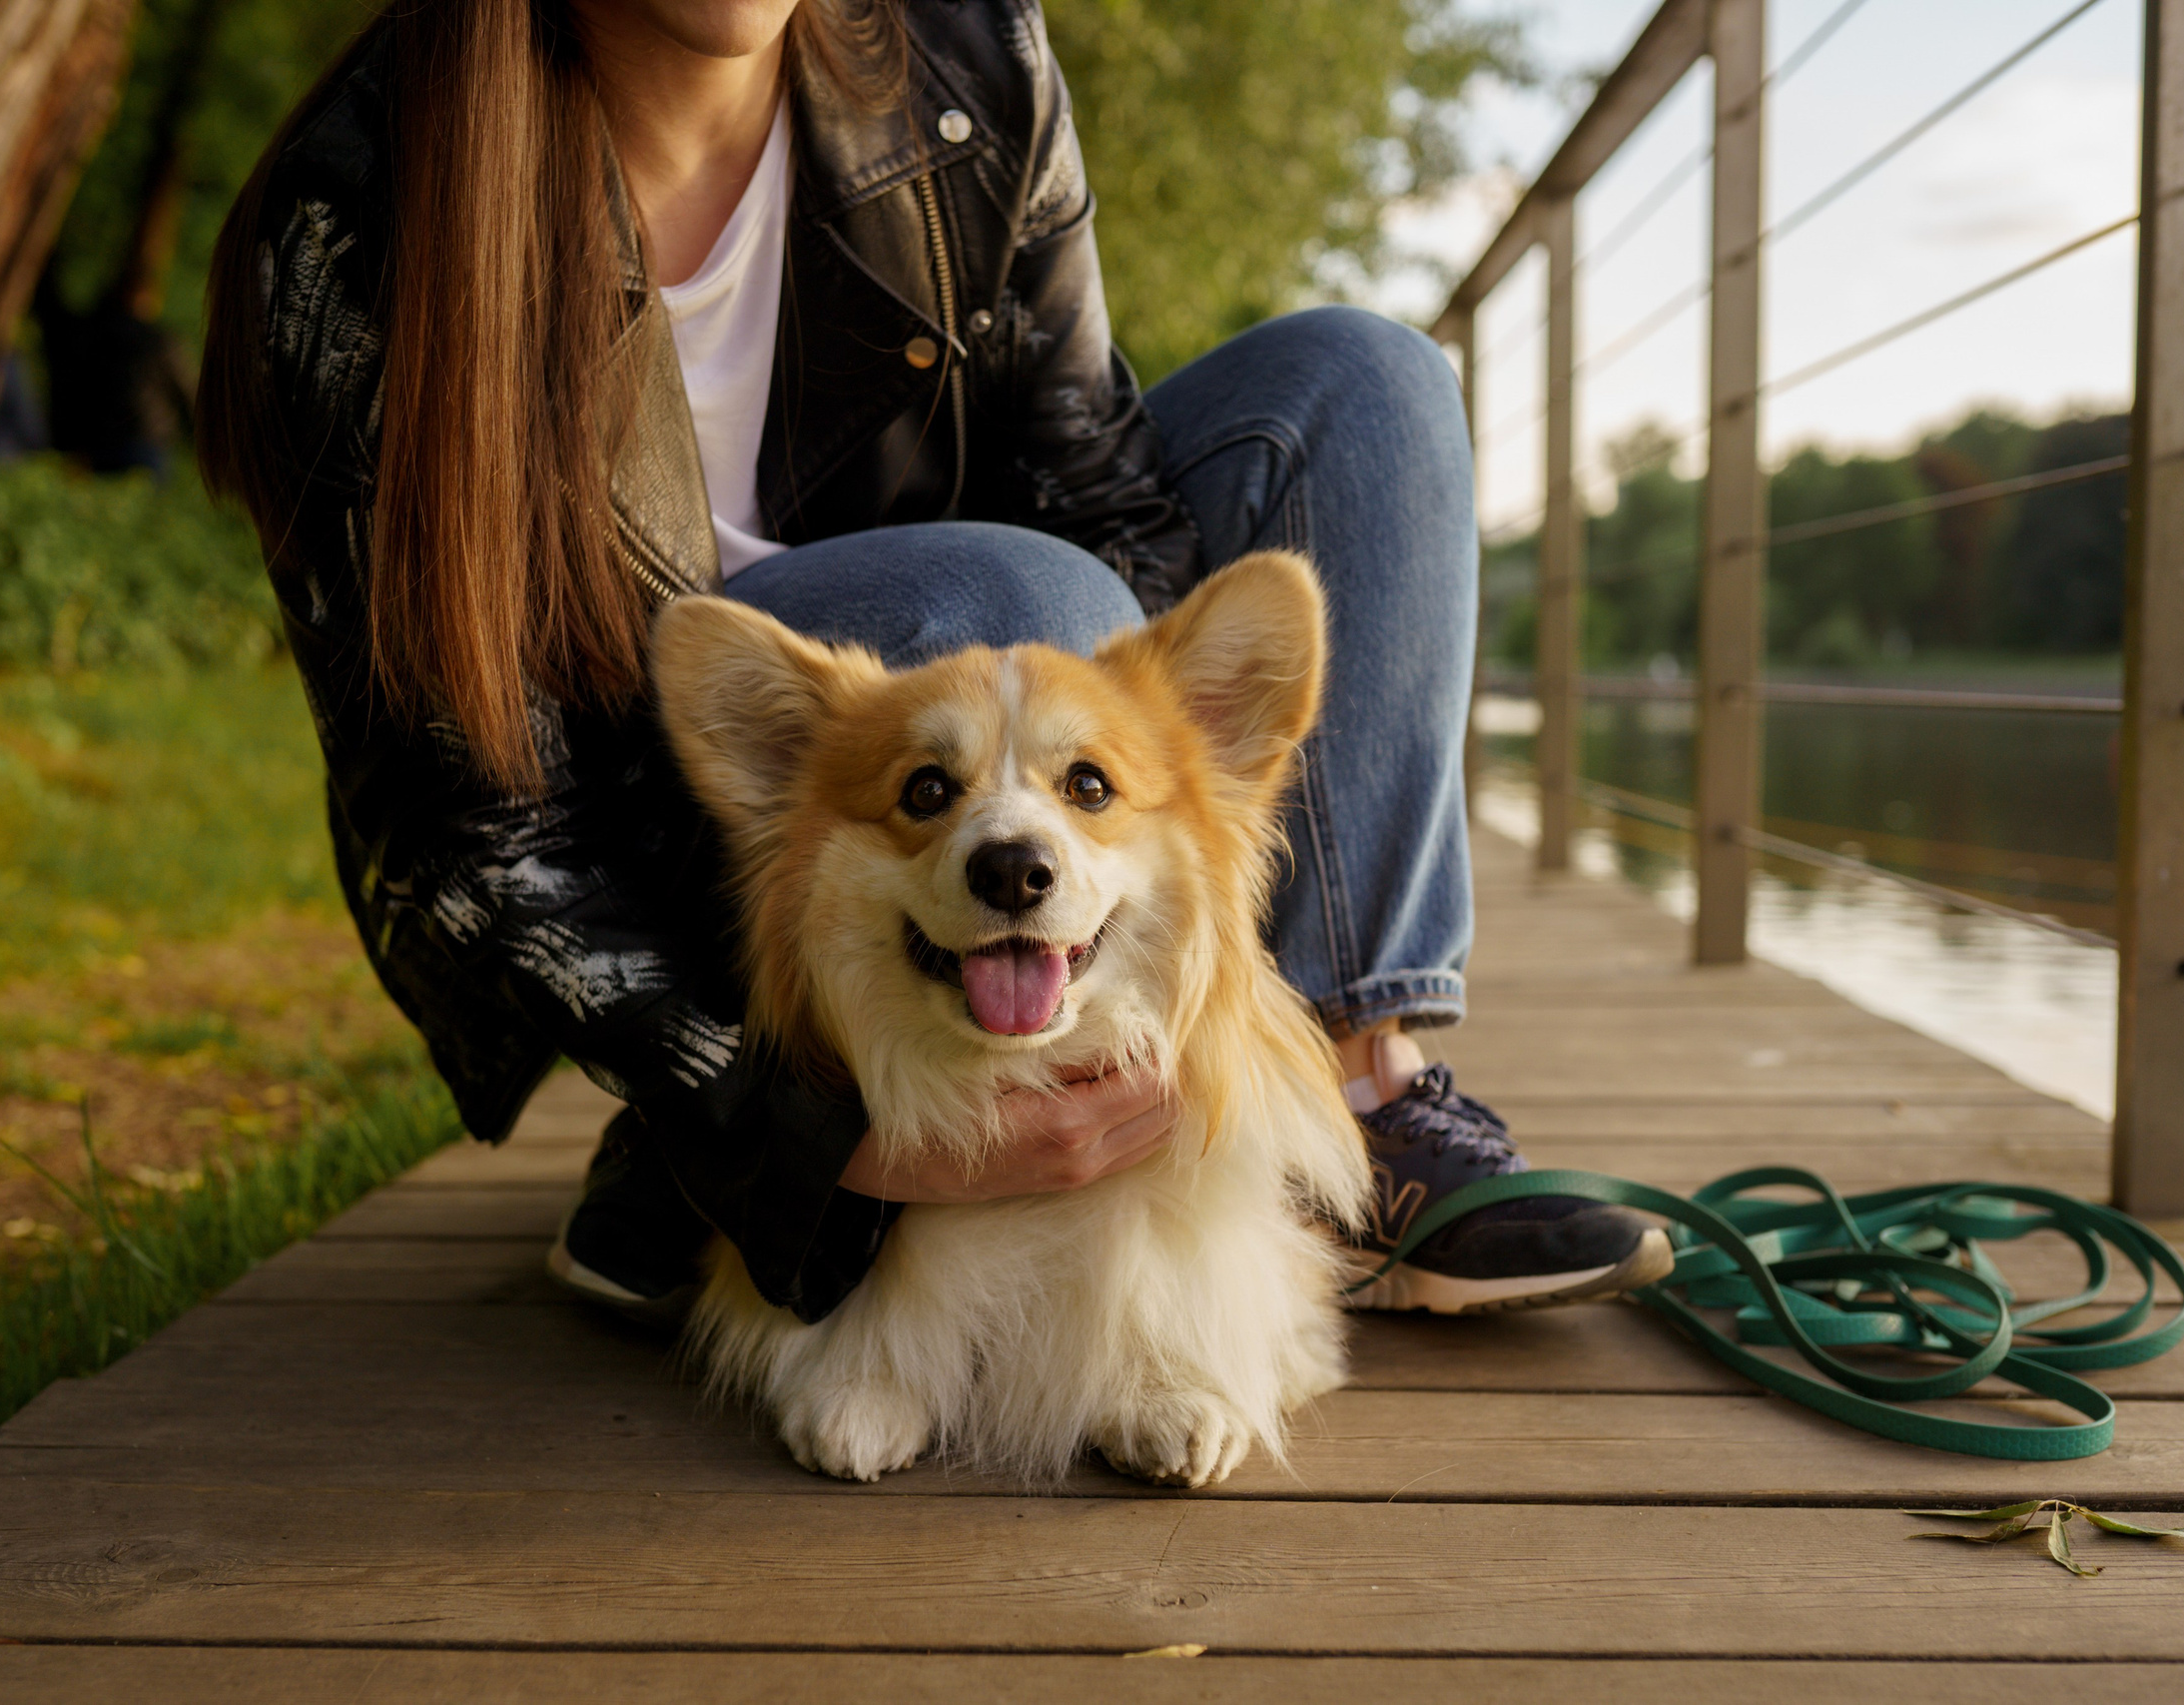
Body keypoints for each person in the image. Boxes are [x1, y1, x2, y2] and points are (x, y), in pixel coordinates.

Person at [198, 0, 1667, 1326]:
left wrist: (1160, 829)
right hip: (711, 807)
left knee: (1368, 384)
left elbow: (1103, 495)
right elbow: (461, 835)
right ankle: (700, 1157)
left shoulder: (963, 53)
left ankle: (1355, 1095)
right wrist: (775, 1127)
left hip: (995, 792)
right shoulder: (353, 218)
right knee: (1006, 587)